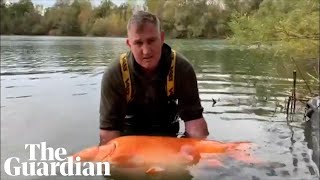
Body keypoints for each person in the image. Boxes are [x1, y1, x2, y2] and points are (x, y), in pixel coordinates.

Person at [99, 10, 209, 145]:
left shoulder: (181, 68)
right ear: (129, 44)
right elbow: (109, 134)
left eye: (151, 41)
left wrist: (200, 157)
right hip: (129, 142)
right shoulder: (115, 73)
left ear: (162, 38)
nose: (146, 51)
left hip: (169, 138)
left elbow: (195, 123)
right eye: (138, 43)